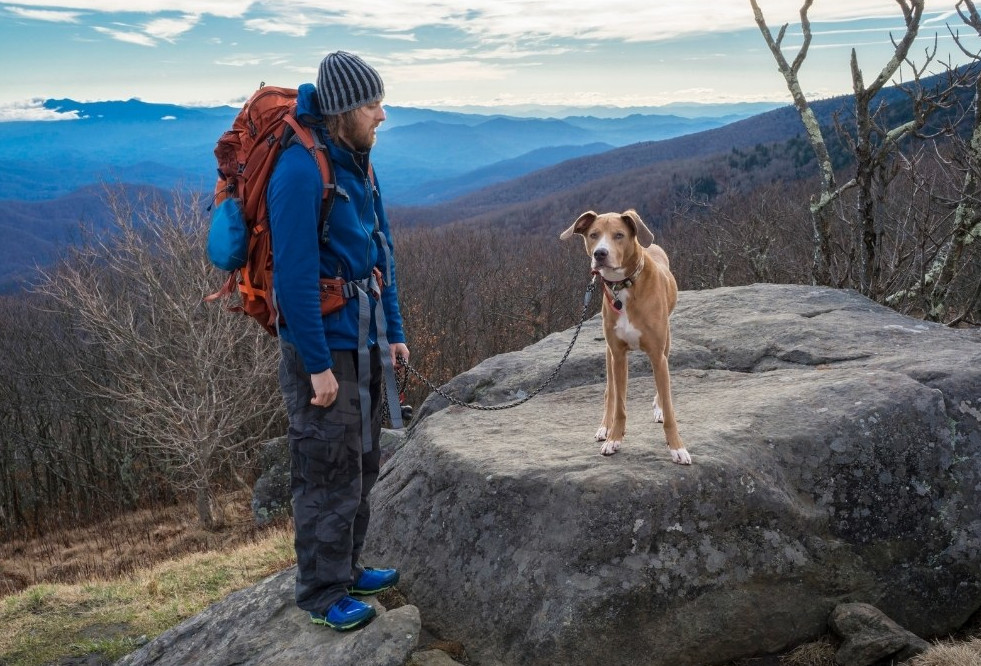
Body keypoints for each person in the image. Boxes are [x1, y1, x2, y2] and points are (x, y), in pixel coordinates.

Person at [267, 51, 409, 631]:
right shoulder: (300, 171)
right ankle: (322, 593)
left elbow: (382, 251)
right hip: (322, 350)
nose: (382, 115)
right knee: (325, 470)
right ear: (347, 108)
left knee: (363, 463)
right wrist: (318, 367)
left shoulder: (358, 161)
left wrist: (394, 332)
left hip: (366, 338)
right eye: (373, 104)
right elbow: (293, 278)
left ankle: (347, 568)